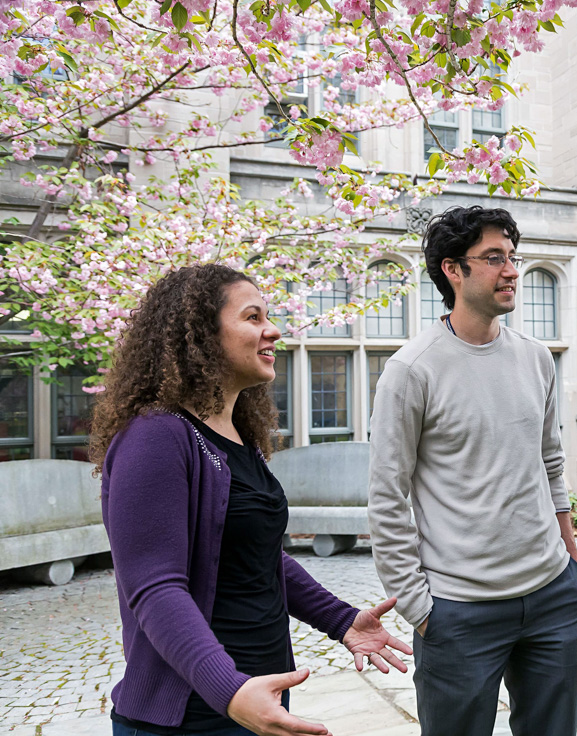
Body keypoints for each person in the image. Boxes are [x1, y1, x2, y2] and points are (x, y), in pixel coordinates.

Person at [92, 264, 413, 736]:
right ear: (201, 336)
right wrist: (229, 690)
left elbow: (257, 555)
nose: (273, 330)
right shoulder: (155, 436)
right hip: (193, 718)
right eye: (253, 317)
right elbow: (155, 588)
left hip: (257, 702)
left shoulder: (237, 437)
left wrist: (341, 620)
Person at [368, 205, 577, 736]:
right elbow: (386, 496)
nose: (512, 270)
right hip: (458, 612)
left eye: (512, 257)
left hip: (552, 596)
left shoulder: (535, 358)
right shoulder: (411, 370)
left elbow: (549, 461)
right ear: (452, 271)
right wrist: (420, 608)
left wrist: (569, 558)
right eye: (493, 258)